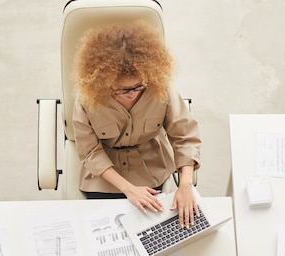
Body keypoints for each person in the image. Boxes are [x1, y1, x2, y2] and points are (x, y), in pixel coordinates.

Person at [72, 21, 201, 228]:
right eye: (121, 89)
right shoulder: (87, 98)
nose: (131, 93)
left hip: (151, 169)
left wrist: (186, 183)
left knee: (156, 230)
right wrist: (128, 189)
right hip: (106, 178)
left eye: (138, 86)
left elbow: (185, 136)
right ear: (104, 81)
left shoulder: (160, 89)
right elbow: (90, 153)